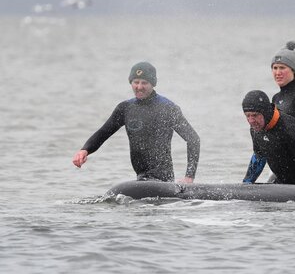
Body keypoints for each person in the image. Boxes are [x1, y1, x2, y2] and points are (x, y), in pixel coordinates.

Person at [72, 61, 200, 183]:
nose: (139, 87)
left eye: (144, 82)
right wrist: (85, 150)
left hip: (163, 180)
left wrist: (189, 177)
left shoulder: (168, 108)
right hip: (140, 178)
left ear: (153, 84)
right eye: (136, 82)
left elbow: (193, 139)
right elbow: (104, 132)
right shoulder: (125, 108)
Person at [242, 90, 295, 185]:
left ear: (266, 112)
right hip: (282, 184)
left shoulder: (289, 127)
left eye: (255, 115)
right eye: (247, 116)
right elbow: (259, 157)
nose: (251, 121)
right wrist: (246, 185)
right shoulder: (255, 129)